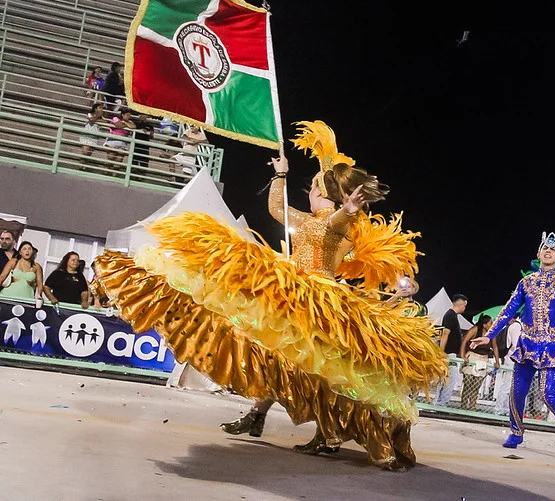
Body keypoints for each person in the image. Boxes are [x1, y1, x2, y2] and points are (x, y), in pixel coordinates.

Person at [94, 120, 446, 472]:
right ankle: (286, 423)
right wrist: (281, 174)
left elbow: (339, 222)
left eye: (313, 187)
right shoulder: (311, 220)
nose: (309, 191)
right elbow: (276, 210)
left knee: (315, 370)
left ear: (324, 194)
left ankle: (332, 433)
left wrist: (348, 209)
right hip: (294, 294)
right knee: (286, 363)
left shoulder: (334, 222)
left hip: (316, 300)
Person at [470, 232, 555, 459]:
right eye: (545, 248)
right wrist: (489, 335)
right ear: (538, 254)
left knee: (549, 394)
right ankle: (516, 432)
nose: (548, 251)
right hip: (527, 344)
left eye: (553, 250)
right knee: (517, 392)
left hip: (552, 346)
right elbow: (508, 310)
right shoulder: (526, 282)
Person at [432, 293, 468, 406]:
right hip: (448, 353)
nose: (464, 308)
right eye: (464, 305)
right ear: (460, 303)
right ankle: (441, 402)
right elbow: (445, 334)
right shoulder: (450, 315)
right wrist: (441, 353)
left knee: (448, 379)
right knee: (448, 379)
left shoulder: (452, 315)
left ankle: (441, 402)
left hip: (450, 353)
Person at [459, 314, 500, 411]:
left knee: (476, 385)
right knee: (468, 383)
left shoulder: (491, 333)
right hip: (472, 356)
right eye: (490, 323)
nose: (492, 324)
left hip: (483, 359)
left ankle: (473, 406)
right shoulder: (475, 329)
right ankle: (464, 405)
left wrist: (497, 361)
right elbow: (464, 341)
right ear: (485, 324)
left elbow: (495, 347)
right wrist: (462, 355)